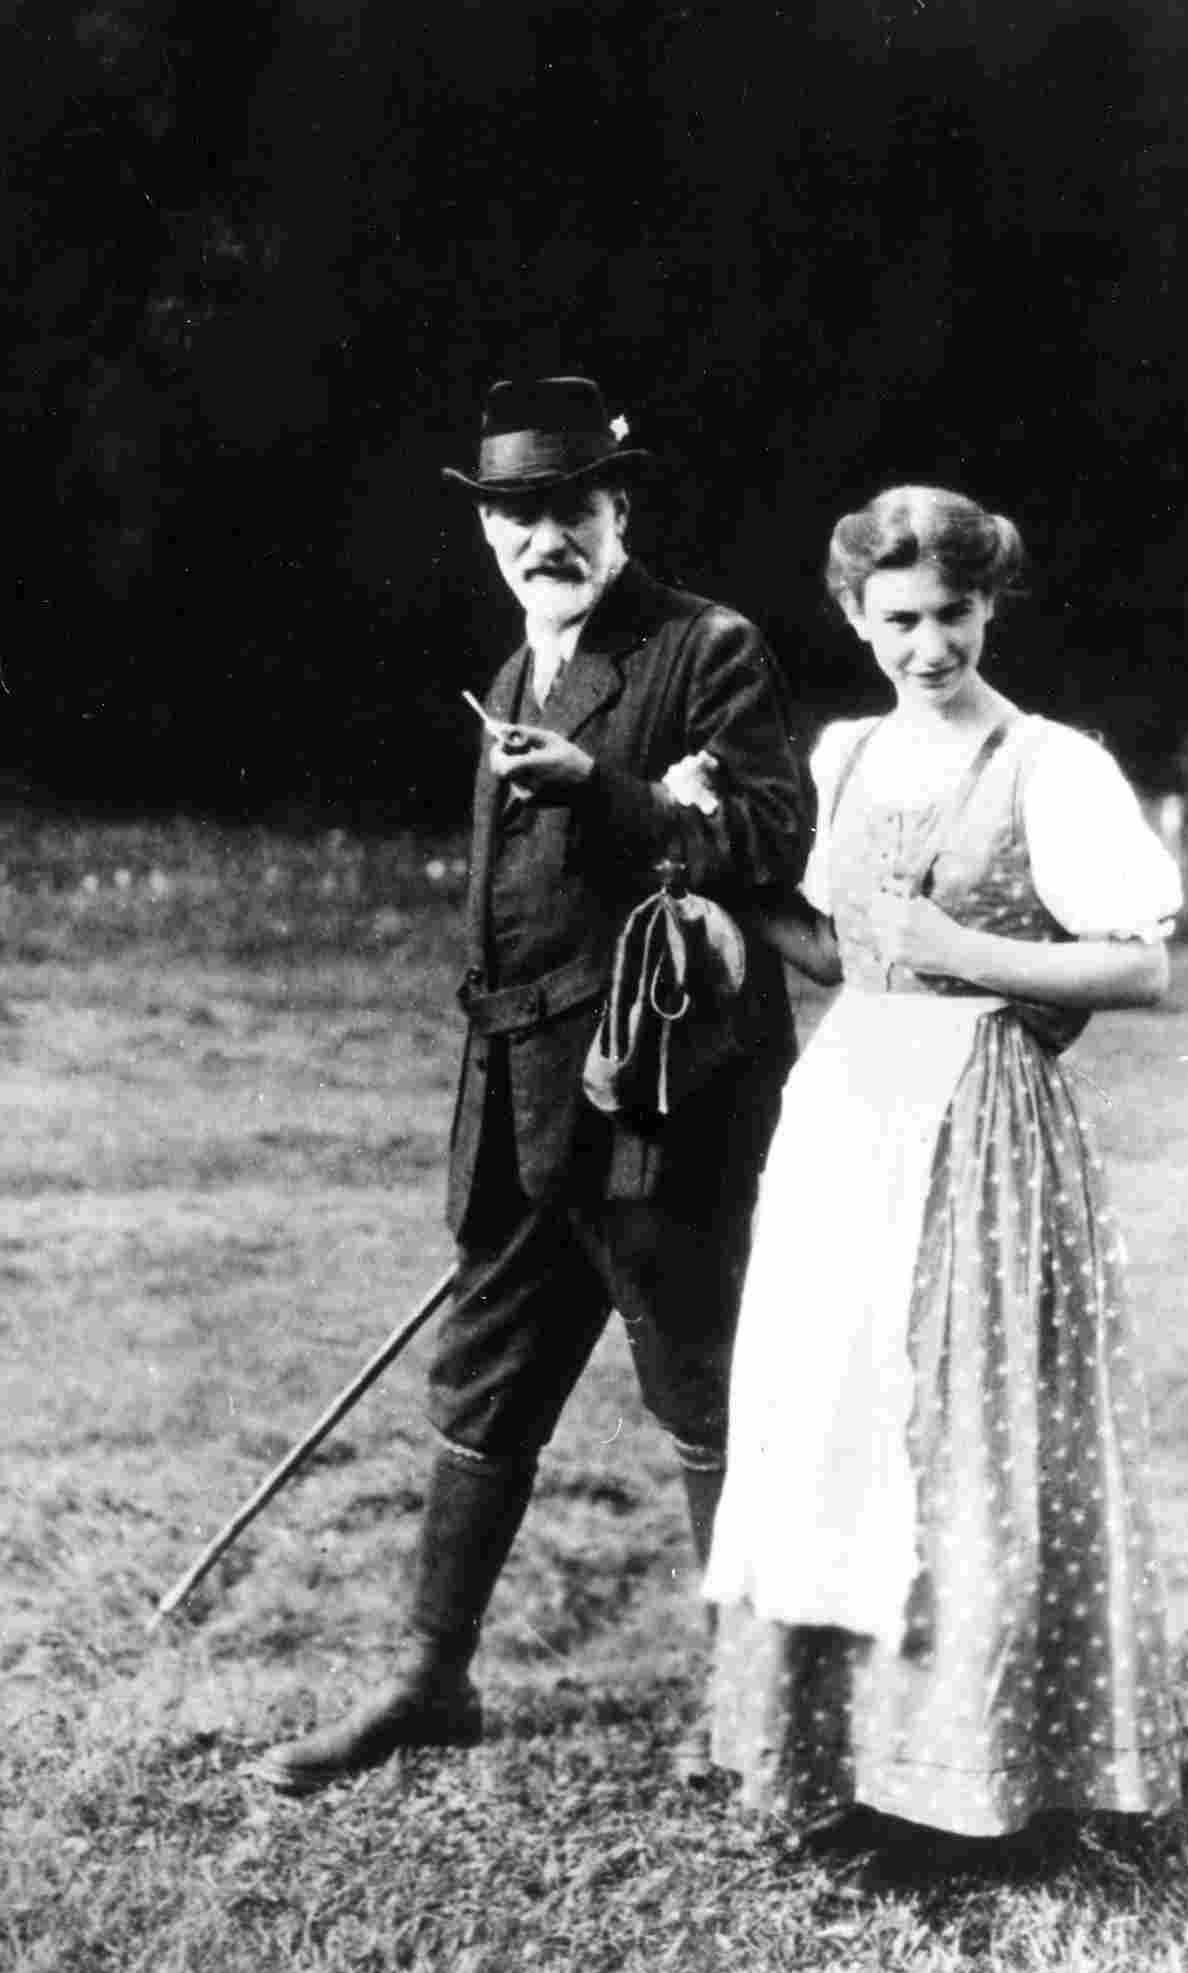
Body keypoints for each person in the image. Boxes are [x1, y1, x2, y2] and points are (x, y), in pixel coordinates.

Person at [257, 376, 809, 1795]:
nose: (540, 537)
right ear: (488, 530)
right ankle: (427, 1681)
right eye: (514, 513)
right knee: (482, 1384)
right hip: (515, 1103)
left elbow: (765, 835)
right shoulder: (515, 672)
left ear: (618, 508)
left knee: (698, 1386)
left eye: (569, 506)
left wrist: (609, 794)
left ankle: (750, 1708)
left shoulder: (705, 650)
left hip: (656, 1103)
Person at [703, 484, 1183, 1840]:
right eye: (900, 618)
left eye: (954, 615)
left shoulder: (1052, 764)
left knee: (961, 1426)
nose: (931, 647)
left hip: (980, 1119)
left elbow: (1138, 965)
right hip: (847, 1109)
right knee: (830, 1418)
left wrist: (965, 955)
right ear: (857, 621)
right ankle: (833, 1766)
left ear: (988, 609)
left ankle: (979, 1774)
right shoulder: (842, 759)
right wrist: (708, 882)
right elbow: (841, 952)